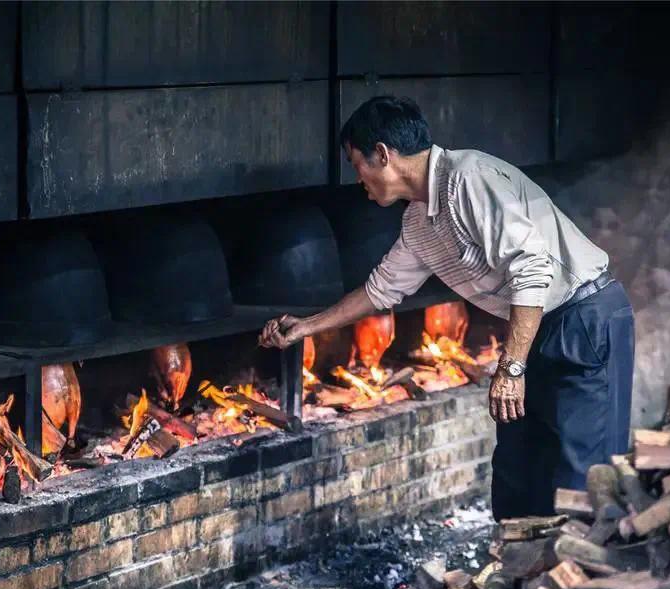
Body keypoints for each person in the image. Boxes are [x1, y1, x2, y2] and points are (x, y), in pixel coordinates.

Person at [259, 96, 634, 520]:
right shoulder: (420, 221)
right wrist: (307, 326)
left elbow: (531, 267)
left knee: (584, 478)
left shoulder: (470, 180)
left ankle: (586, 580)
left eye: (356, 163)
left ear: (382, 154)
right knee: (519, 471)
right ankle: (514, 577)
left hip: (583, 319)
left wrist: (511, 368)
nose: (357, 179)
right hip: (535, 327)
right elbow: (381, 290)